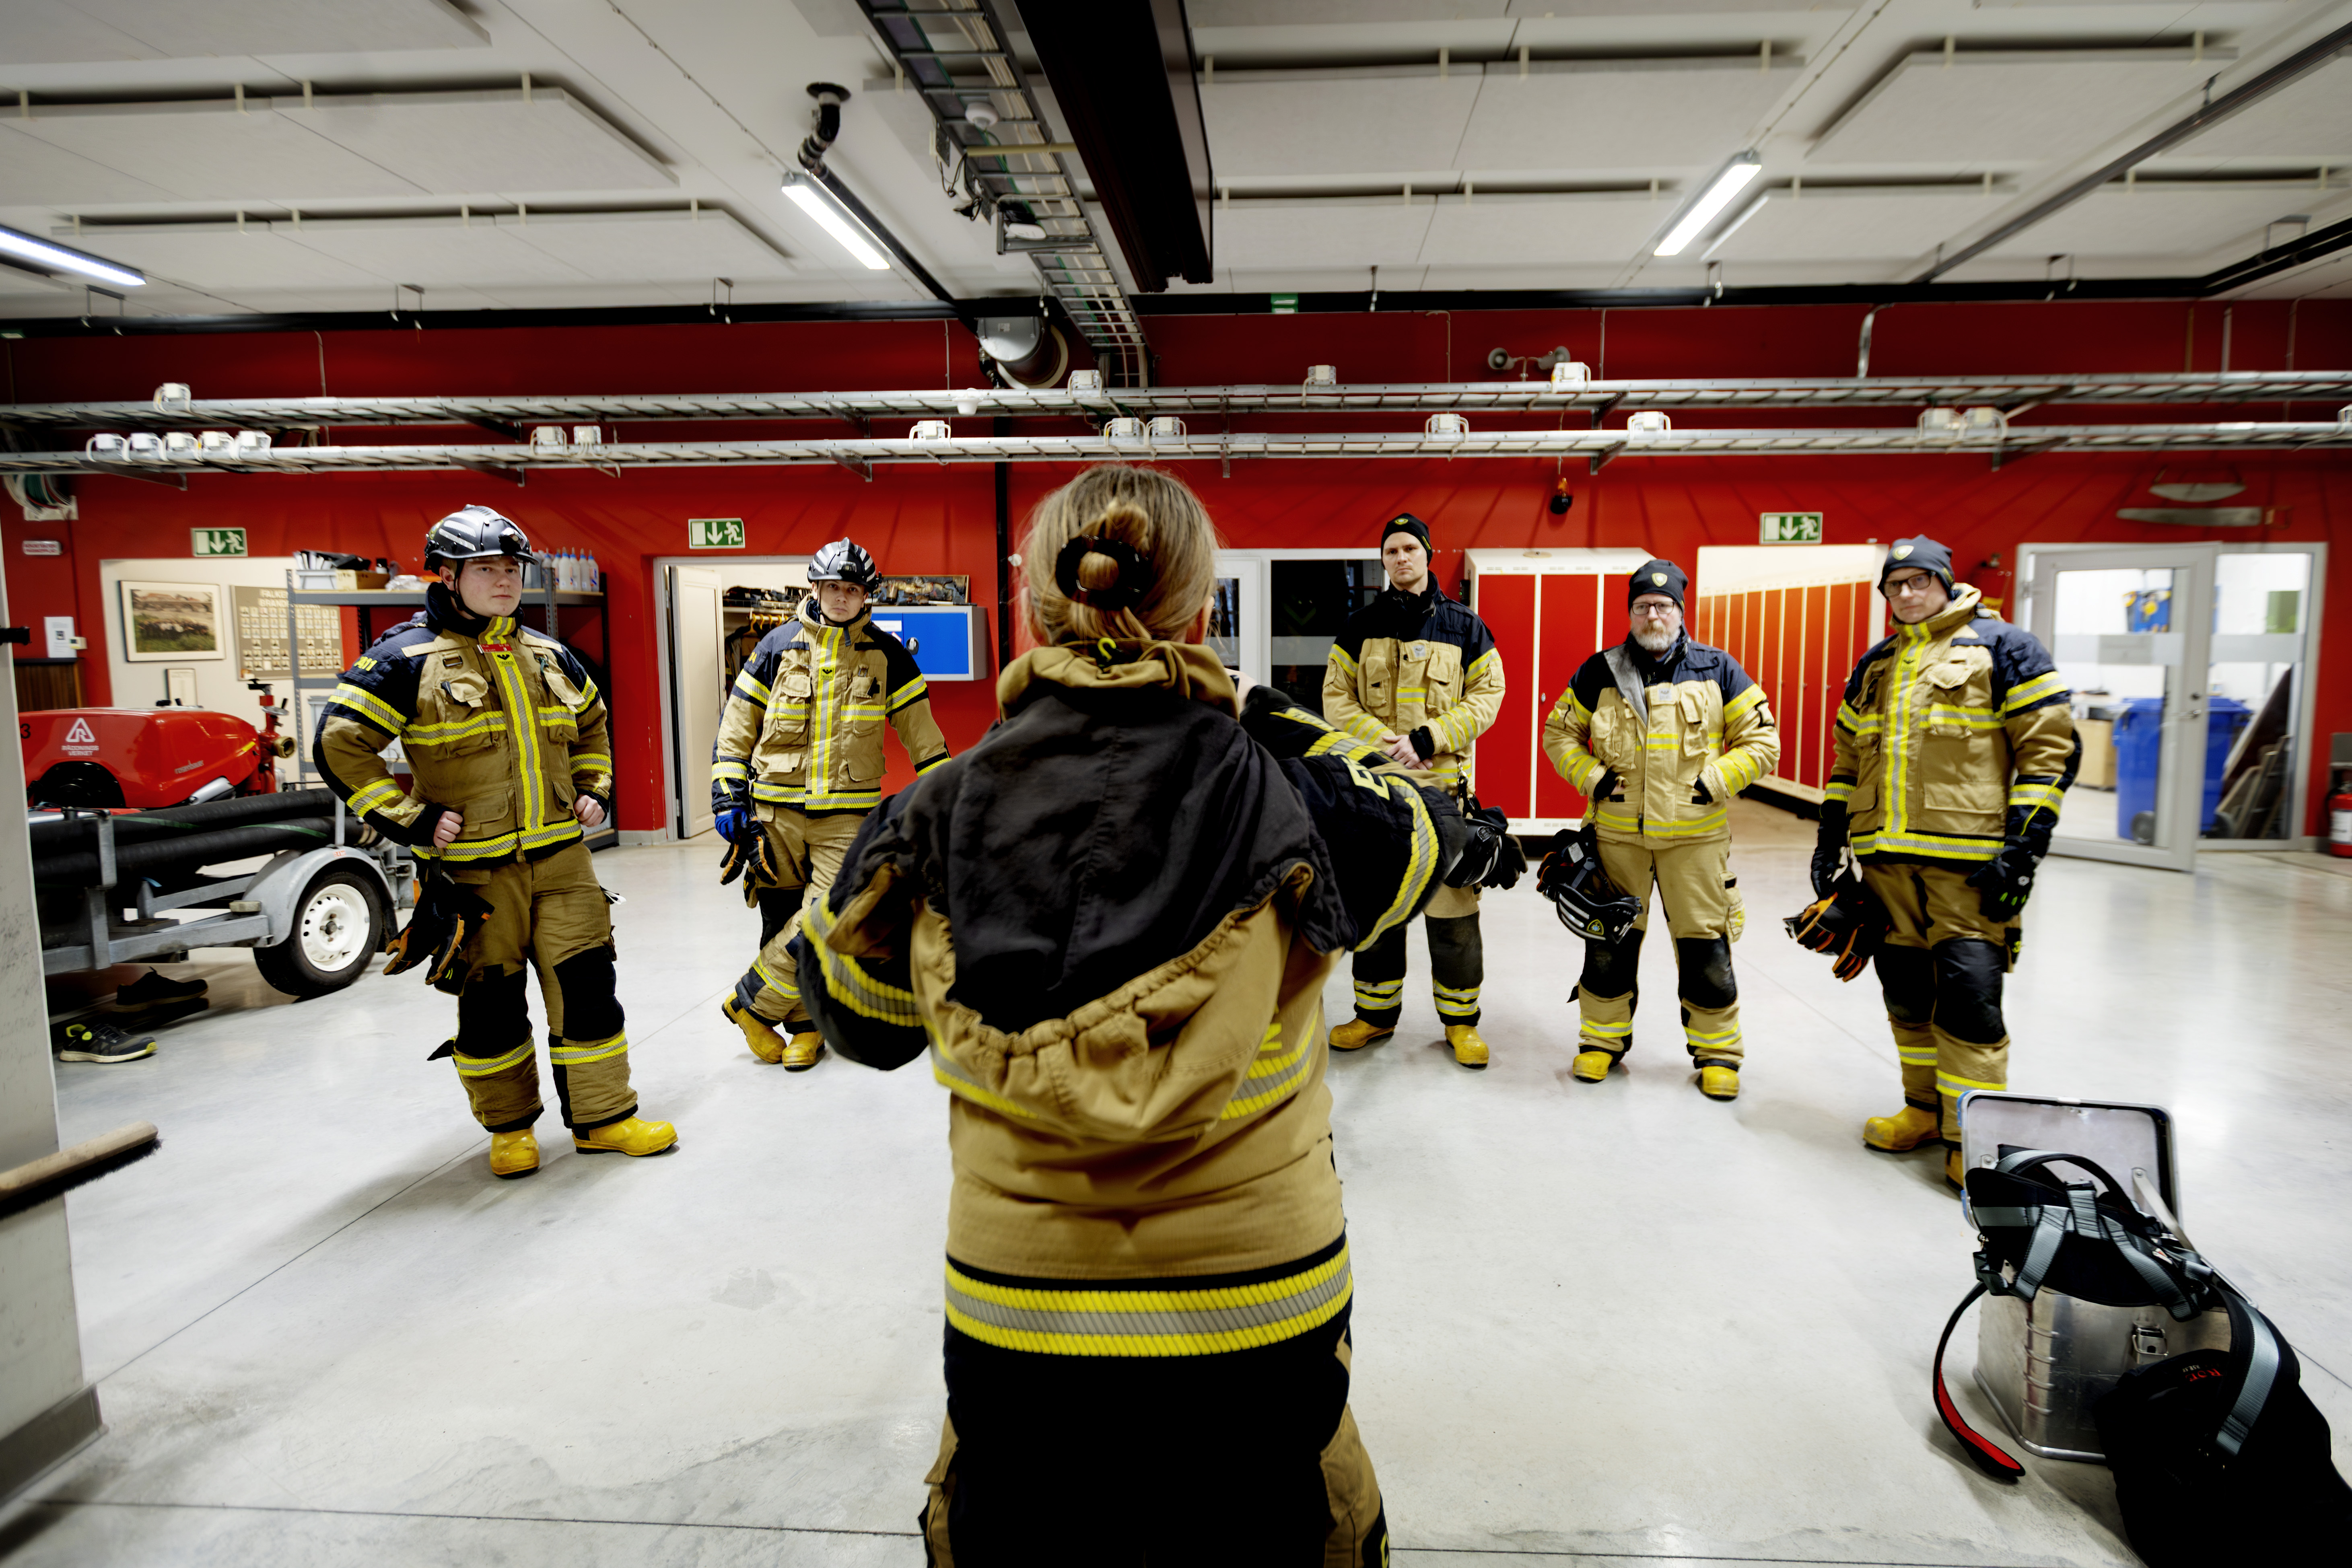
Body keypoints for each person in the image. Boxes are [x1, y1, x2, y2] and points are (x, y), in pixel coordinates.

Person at [785, 464, 1473, 1566]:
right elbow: (1425, 825)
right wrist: (1275, 717)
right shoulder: (1296, 799)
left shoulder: (929, 811)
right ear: (1199, 618)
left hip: (1017, 1315)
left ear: (1035, 609)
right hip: (1261, 1311)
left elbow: (861, 1025)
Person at [315, 504, 673, 1178]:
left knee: (588, 988)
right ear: (447, 576)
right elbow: (340, 744)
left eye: (511, 568)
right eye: (485, 569)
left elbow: (594, 725)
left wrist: (594, 786)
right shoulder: (401, 659)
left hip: (563, 862)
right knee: (491, 1002)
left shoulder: (550, 654)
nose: (505, 580)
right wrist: (410, 818)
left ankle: (605, 1118)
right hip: (474, 874)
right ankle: (510, 1129)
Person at [1814, 537, 2077, 1187]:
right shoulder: (1877, 663)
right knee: (1905, 992)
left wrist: (2023, 851)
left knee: (1969, 998)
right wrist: (1830, 837)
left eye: (1918, 580)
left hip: (1968, 866)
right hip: (1885, 865)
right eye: (1894, 584)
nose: (1906, 593)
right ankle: (1923, 1110)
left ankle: (1974, 1137)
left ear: (1944, 581)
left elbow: (2048, 752)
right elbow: (1847, 756)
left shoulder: (2004, 648)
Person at [1540, 560, 1780, 1101]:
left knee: (1705, 948)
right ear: (1630, 613)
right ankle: (1600, 1041)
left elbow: (1763, 742)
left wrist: (1714, 781)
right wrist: (1594, 778)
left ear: (1680, 611)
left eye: (1664, 606)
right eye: (1643, 606)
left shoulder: (1718, 669)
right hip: (1616, 838)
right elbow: (1558, 734)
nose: (1654, 615)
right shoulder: (1599, 671)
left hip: (1695, 840)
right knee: (1608, 943)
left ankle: (1718, 1053)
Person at [711, 539, 949, 1071]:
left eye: (852, 590)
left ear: (866, 596)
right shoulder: (774, 646)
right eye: (832, 587)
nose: (841, 597)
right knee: (780, 920)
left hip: (846, 817)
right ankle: (804, 1028)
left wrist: (944, 802)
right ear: (814, 589)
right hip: (774, 813)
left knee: (824, 920)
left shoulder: (889, 656)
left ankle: (750, 1003)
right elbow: (737, 725)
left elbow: (925, 739)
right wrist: (727, 793)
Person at [1320, 511, 1505, 1067]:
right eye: (1391, 551)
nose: (1401, 558)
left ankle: (1461, 1024)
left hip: (1444, 798)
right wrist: (1384, 742)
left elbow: (1488, 695)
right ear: (1383, 561)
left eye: (1409, 549)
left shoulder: (1466, 627)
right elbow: (1335, 698)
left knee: (1453, 918)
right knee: (1379, 911)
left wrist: (1428, 738)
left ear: (1428, 554)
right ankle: (1374, 1016)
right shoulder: (1359, 626)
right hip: (1377, 795)